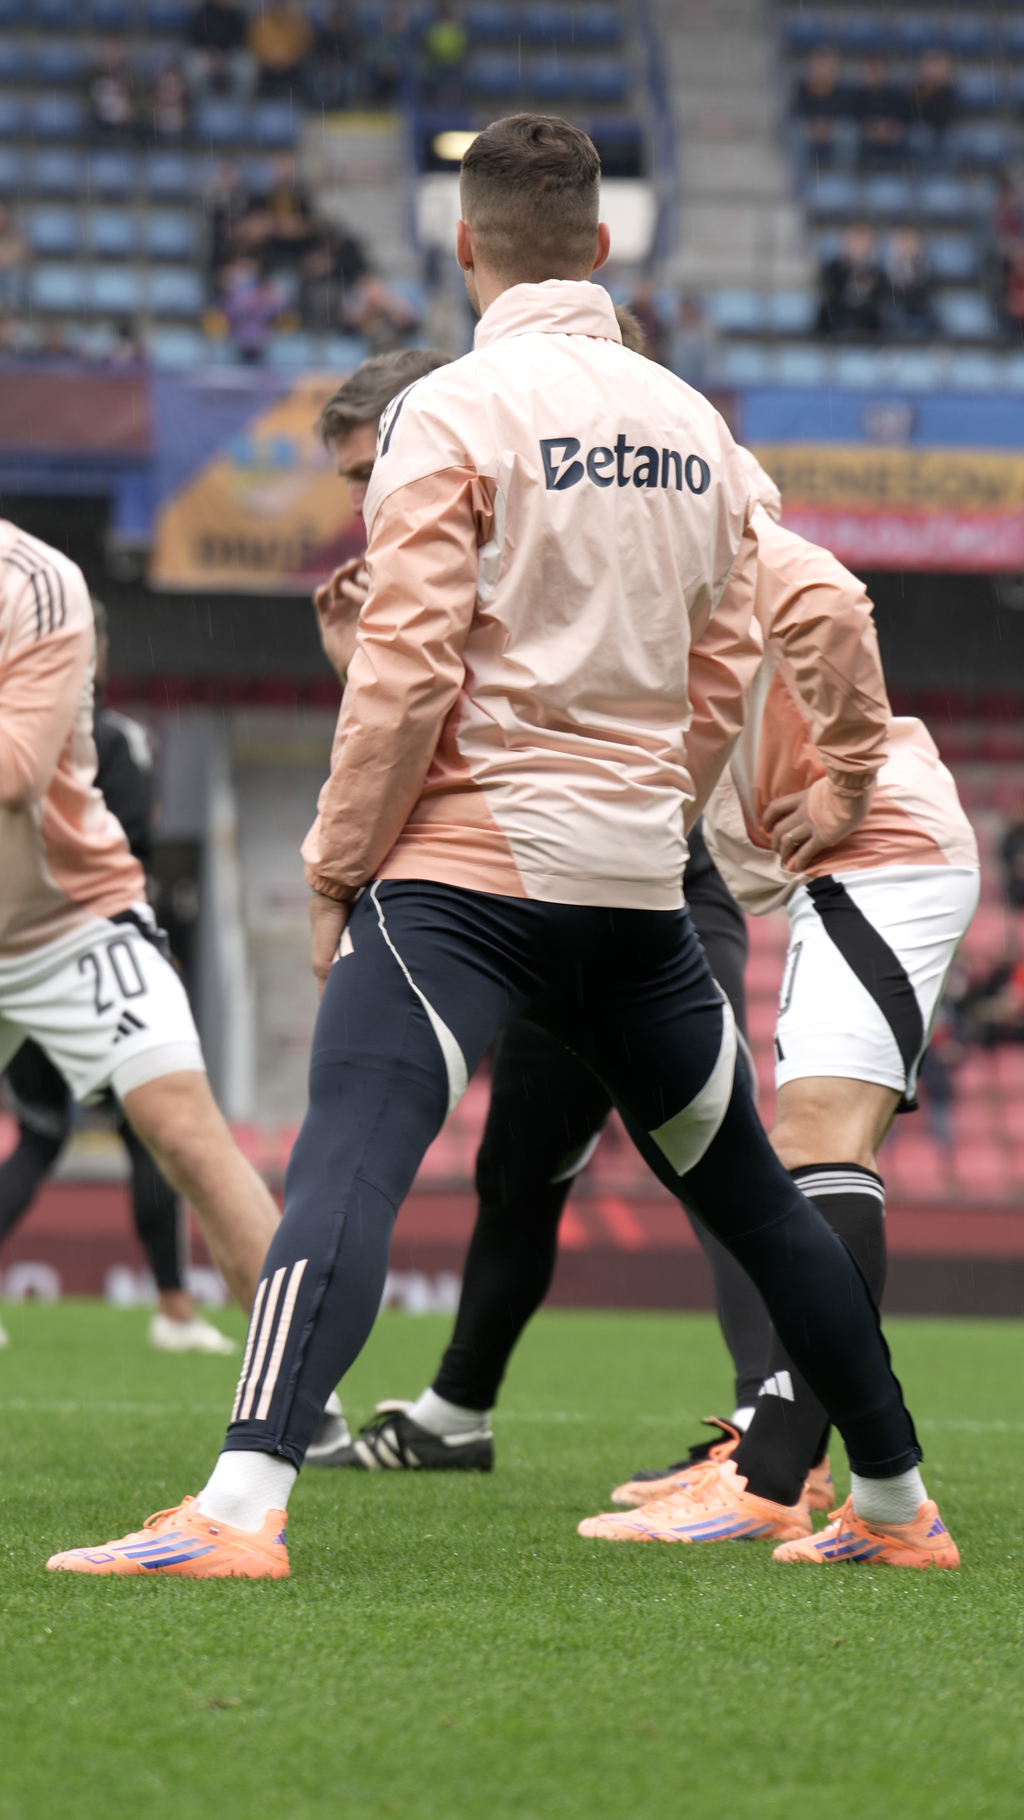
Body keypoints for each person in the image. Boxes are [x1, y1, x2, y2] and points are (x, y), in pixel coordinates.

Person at [49, 114, 957, 1581]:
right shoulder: (700, 427)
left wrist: (337, 865)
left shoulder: (452, 409)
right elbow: (731, 657)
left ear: (463, 245)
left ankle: (237, 1507)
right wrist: (658, 808)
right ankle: (900, 1503)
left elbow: (406, 665)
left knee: (350, 1156)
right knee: (756, 1201)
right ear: (599, 248)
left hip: (465, 881)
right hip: (637, 887)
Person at [300, 335, 761, 1473]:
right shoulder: (496, 505)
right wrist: (359, 666)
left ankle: (770, 1428)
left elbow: (472, 709)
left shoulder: (523, 498)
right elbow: (453, 724)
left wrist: (334, 873)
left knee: (717, 1159)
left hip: (642, 878)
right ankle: (457, 1411)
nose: (359, 499)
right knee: (520, 1168)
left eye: (363, 472)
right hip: (544, 881)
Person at [585, 504, 980, 1551]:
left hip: (879, 853)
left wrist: (844, 783)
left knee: (816, 1144)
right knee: (821, 1154)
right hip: (854, 869)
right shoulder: (676, 548)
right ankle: (804, 1467)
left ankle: (774, 1478)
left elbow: (831, 600)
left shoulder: (724, 529)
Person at [0, 599, 233, 1353]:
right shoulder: (111, 737)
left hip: (23, 956)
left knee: (40, 1139)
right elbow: (131, 848)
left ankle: (178, 1310)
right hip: (90, 961)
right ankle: (175, 1309)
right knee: (151, 1138)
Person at [818, 225, 885, 339]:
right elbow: (831, 290)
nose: (858, 247)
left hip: (867, 318)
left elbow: (881, 294)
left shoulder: (876, 271)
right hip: (840, 312)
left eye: (862, 243)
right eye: (855, 242)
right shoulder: (835, 268)